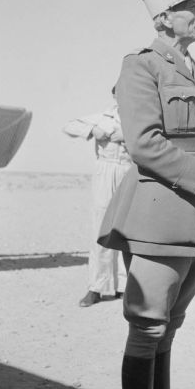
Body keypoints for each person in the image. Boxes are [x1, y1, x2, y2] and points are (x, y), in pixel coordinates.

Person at [97, 0, 195, 389]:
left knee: (169, 326)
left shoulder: (192, 67)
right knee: (148, 328)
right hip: (158, 213)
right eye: (193, 7)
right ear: (164, 18)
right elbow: (144, 144)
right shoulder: (141, 65)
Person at [62, 90, 131, 307]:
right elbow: (70, 125)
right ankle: (97, 287)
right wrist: (93, 130)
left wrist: (127, 135)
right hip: (105, 170)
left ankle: (124, 286)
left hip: (129, 170)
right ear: (115, 95)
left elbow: (153, 137)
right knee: (101, 228)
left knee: (127, 229)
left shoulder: (138, 117)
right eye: (121, 92)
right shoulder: (103, 117)